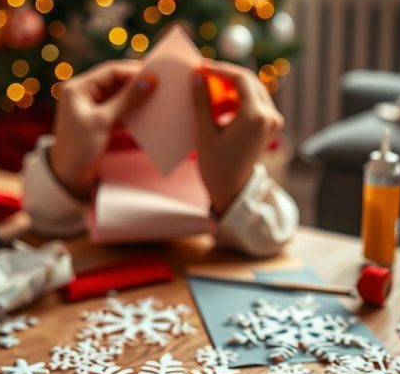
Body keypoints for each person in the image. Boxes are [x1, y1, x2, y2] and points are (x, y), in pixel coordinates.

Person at [23, 59, 298, 256]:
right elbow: (44, 221)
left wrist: (232, 191)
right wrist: (66, 175)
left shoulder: (223, 131)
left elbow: (274, 235)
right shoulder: (99, 135)